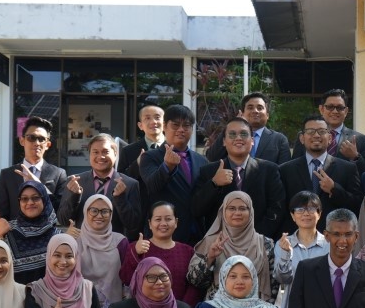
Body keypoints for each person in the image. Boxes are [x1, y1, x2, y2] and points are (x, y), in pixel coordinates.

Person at [193, 116, 286, 240]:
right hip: (219, 243)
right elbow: (196, 210)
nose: (238, 138)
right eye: (232, 134)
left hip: (258, 242)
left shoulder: (269, 170)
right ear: (224, 141)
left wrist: (255, 237)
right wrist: (214, 184)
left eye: (243, 134)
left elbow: (277, 209)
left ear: (252, 140)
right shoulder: (209, 171)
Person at [187, 192, 276, 303]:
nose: (237, 213)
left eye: (242, 208)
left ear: (251, 212)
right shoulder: (211, 242)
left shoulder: (265, 244)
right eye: (231, 208)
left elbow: (273, 285)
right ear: (223, 212)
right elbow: (194, 281)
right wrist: (210, 258)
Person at [140, 105, 209, 245]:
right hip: (165, 236)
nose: (181, 129)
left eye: (186, 125)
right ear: (164, 127)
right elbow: (152, 186)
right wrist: (167, 166)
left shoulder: (202, 160)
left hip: (198, 236)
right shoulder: (150, 157)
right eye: (175, 125)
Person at [279, 116, 363, 229]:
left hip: (333, 234)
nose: (316, 135)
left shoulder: (348, 168)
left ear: (330, 138)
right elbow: (281, 209)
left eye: (322, 131)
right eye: (310, 131)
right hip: (297, 235)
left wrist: (334, 189)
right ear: (302, 138)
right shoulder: (286, 170)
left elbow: (358, 205)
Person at [57, 134, 144, 241]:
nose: (100, 156)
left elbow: (133, 225)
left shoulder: (130, 184)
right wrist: (74, 197)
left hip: (115, 247)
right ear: (89, 155)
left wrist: (121, 199)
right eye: (95, 152)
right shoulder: (75, 182)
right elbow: (63, 220)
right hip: (82, 246)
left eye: (105, 152)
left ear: (115, 154)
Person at [119, 201, 202, 306]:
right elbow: (126, 279)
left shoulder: (187, 251)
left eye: (168, 219)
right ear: (150, 223)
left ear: (176, 222)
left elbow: (194, 286)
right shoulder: (137, 247)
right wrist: (136, 253)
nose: (163, 223)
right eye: (158, 219)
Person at [0, 117, 67, 221]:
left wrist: (39, 186)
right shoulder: (7, 175)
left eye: (41, 139)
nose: (37, 143)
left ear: (48, 144)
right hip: (15, 230)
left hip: (48, 229)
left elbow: (60, 210)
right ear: (22, 140)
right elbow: (1, 213)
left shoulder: (59, 174)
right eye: (31, 138)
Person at [272, 192, 328, 308]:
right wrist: (286, 254)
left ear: (319, 214)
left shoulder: (329, 245)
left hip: (323, 307)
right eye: (300, 210)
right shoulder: (283, 244)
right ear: (293, 216)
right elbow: (282, 279)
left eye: (311, 209)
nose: (306, 213)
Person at [293, 89, 365, 175]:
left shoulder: (360, 139)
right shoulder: (306, 136)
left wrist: (355, 157)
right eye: (330, 107)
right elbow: (293, 168)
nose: (335, 111)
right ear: (321, 109)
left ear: (346, 111)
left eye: (340, 108)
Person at [0, 180, 58, 284]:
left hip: (50, 293)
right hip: (15, 293)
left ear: (44, 200)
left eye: (35, 198)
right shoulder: (7, 230)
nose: (30, 202)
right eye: (24, 199)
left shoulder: (57, 236)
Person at [73, 194, 126, 308]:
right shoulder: (74, 241)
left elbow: (127, 277)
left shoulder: (120, 242)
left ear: (111, 214)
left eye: (105, 211)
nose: (99, 216)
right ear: (85, 212)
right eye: (94, 210)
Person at [207, 92, 292, 165]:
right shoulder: (231, 136)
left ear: (267, 115)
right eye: (250, 108)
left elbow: (284, 170)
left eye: (260, 108)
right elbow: (212, 157)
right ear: (242, 114)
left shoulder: (279, 140)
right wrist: (232, 126)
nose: (255, 111)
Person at [118, 103, 167, 183]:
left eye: (157, 117)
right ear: (140, 125)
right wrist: (137, 164)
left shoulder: (175, 148)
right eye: (147, 118)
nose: (153, 122)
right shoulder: (128, 151)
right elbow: (120, 181)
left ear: (164, 124)